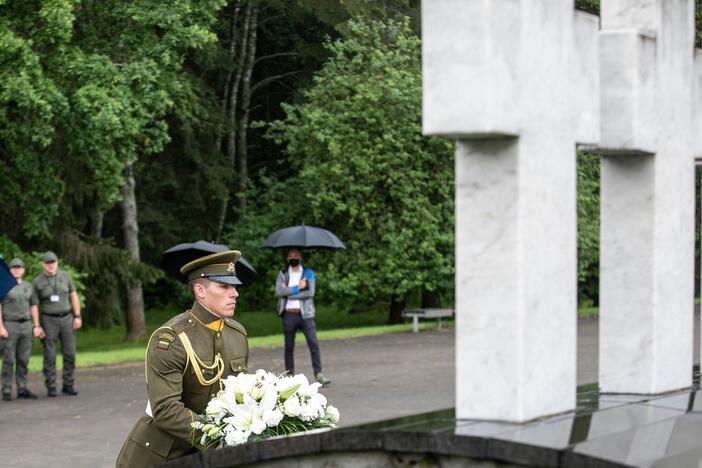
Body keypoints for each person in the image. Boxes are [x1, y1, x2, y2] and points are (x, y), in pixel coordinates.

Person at [116, 250, 249, 468]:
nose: (234, 293)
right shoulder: (170, 338)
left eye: (234, 286)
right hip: (162, 455)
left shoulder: (237, 334)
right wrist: (218, 436)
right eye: (224, 287)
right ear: (200, 290)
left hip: (211, 456)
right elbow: (165, 410)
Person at [275, 248, 330, 385]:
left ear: (301, 258)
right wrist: (298, 287)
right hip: (289, 314)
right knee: (289, 346)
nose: (294, 258)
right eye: (291, 256)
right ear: (287, 258)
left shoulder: (308, 273)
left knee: (313, 343)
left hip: (306, 315)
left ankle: (319, 374)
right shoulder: (282, 274)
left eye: (296, 255)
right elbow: (278, 292)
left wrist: (288, 292)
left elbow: (310, 293)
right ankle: (289, 376)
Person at [31, 251, 81, 397]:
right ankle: (51, 386)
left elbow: (73, 295)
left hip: (67, 318)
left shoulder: (65, 276)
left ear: (57, 263)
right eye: (48, 263)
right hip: (48, 320)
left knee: (70, 353)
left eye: (53, 262)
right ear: (43, 265)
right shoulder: (37, 281)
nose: (51, 265)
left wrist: (77, 316)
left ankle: (68, 384)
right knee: (50, 355)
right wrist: (36, 325)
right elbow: (34, 305)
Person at [0, 258, 39, 401]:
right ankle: (6, 389)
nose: (16, 270)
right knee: (8, 360)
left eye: (19, 267)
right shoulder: (4, 285)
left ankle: (22, 389)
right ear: (9, 271)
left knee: (23, 359)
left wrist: (36, 325)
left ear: (23, 270)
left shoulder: (29, 287)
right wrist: (1, 326)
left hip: (26, 326)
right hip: (10, 325)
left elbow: (33, 306)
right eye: (13, 268)